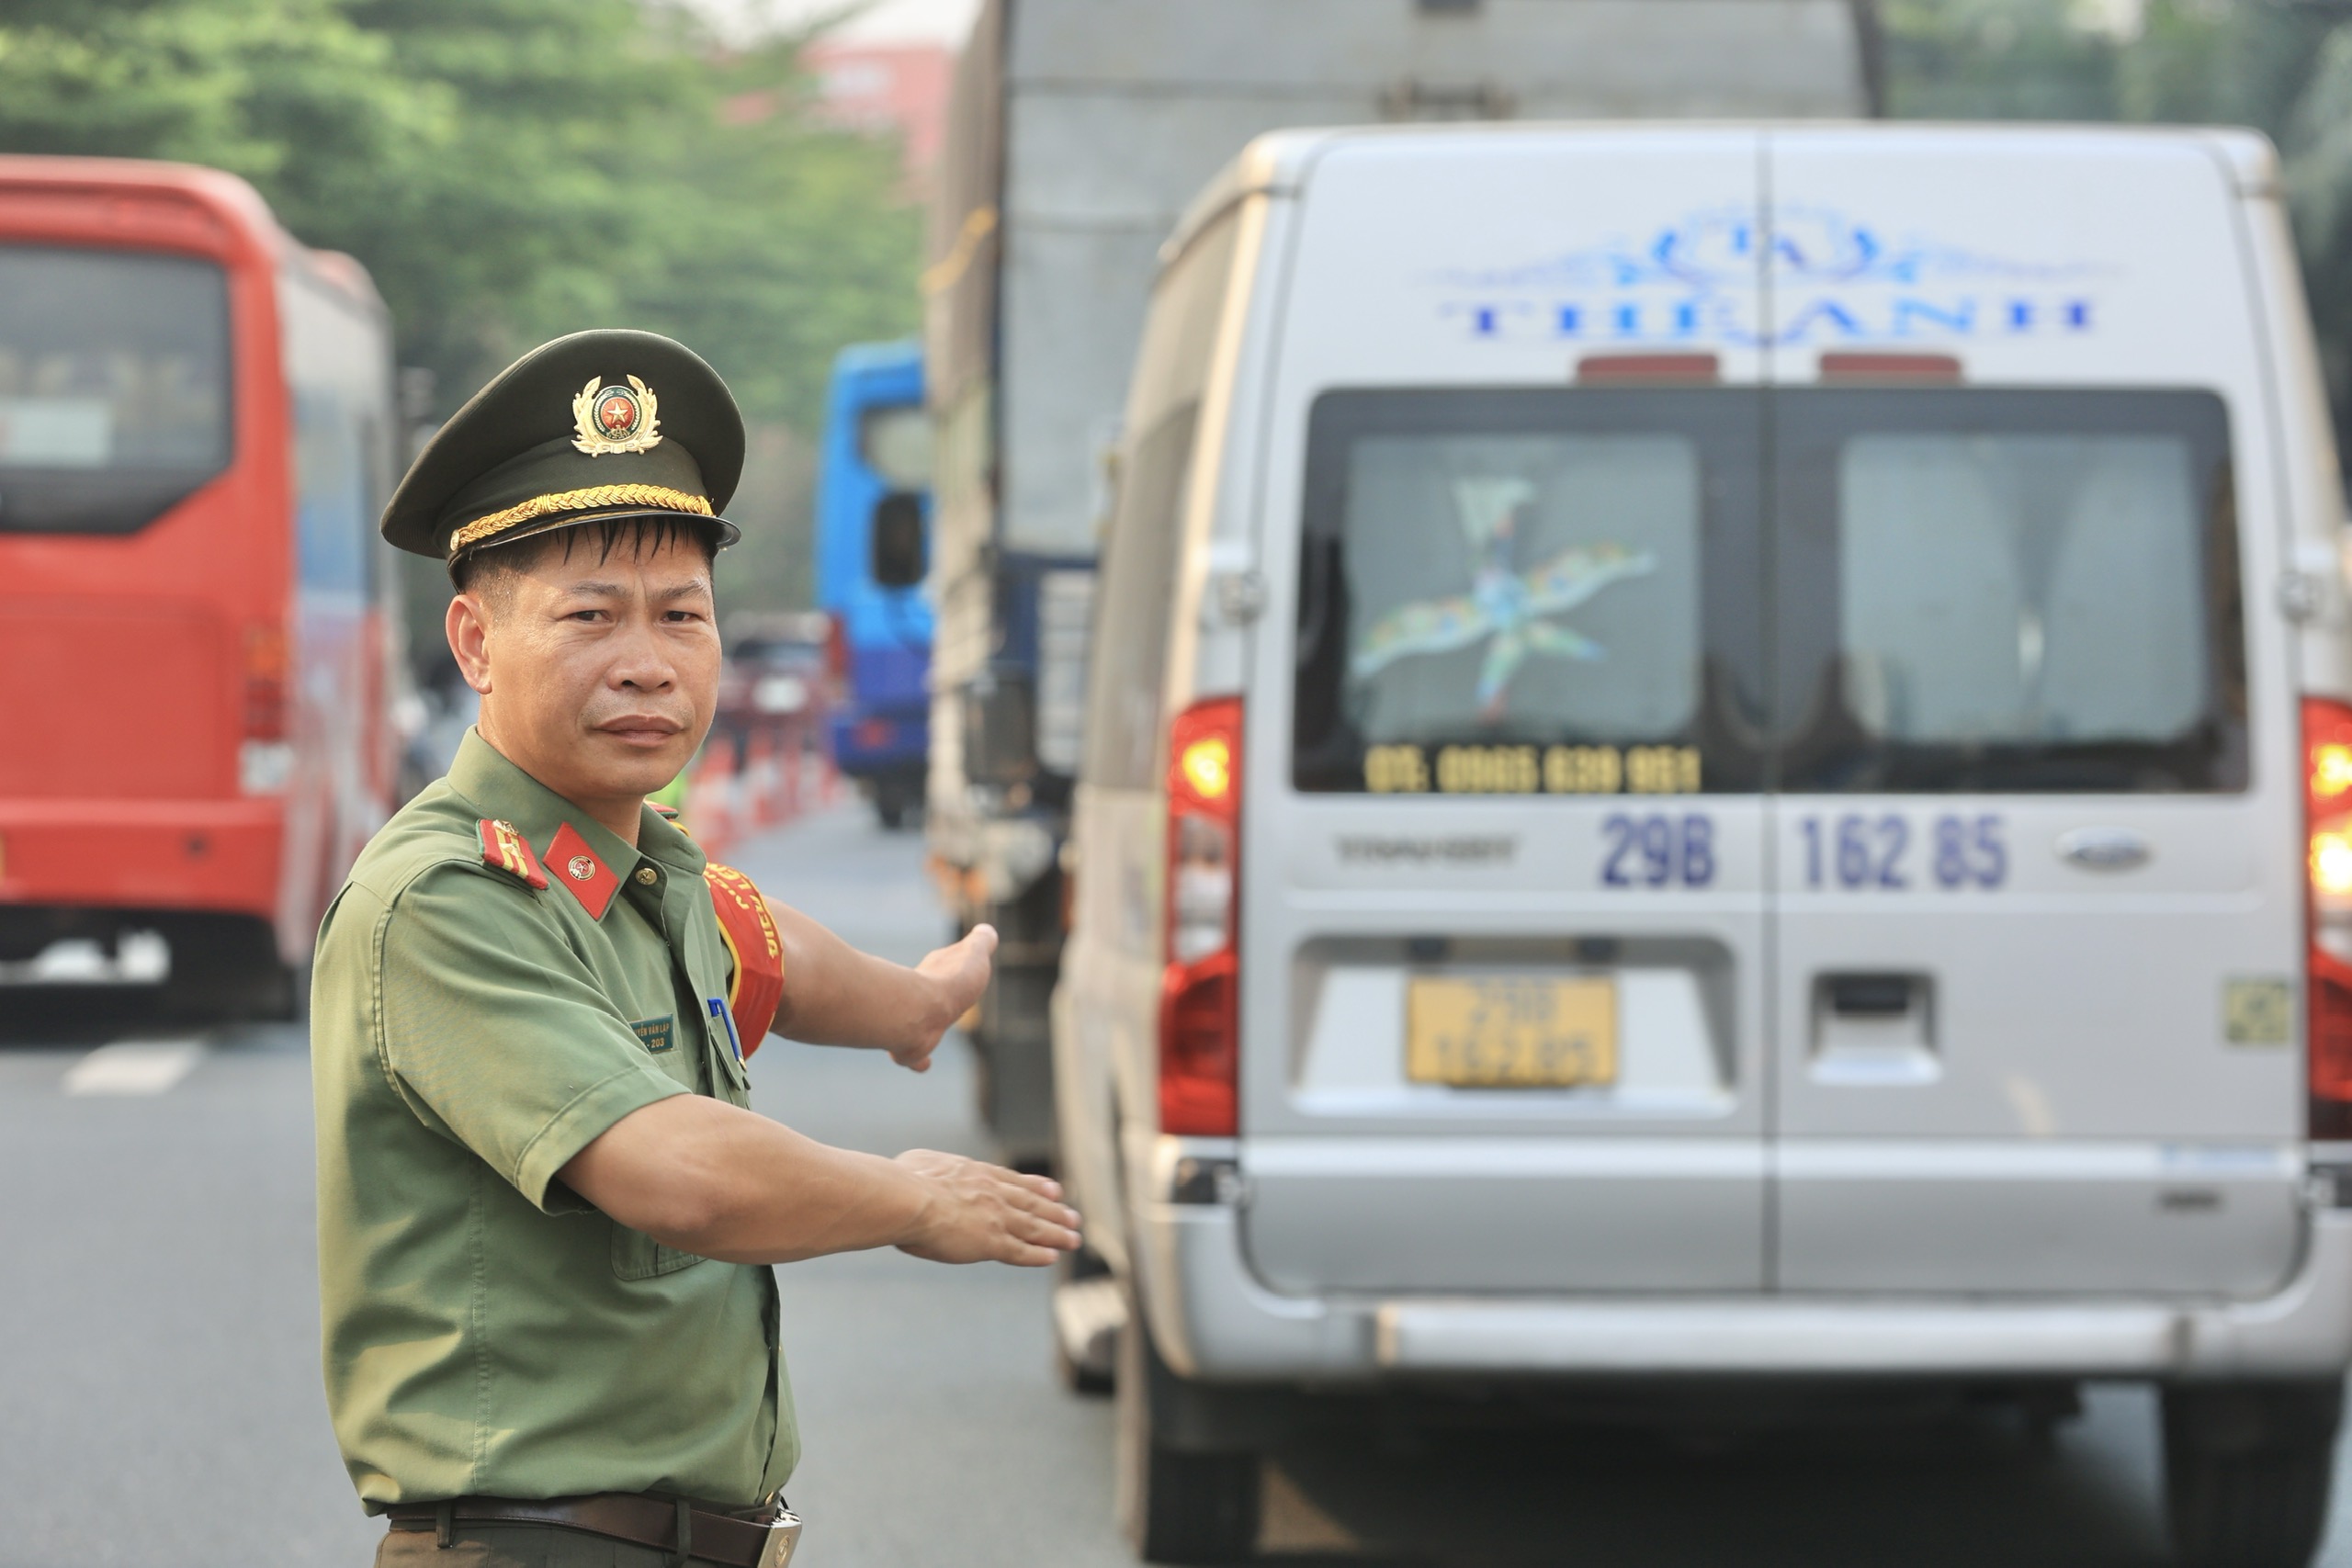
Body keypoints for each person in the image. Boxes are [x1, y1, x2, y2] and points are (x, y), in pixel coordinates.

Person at [311, 329, 1080, 1568]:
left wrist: (911, 1005)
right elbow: (686, 1179)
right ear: (473, 644)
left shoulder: (639, 870)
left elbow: (764, 947)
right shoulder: (448, 900)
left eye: (682, 616)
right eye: (590, 617)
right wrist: (907, 1199)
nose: (647, 663)